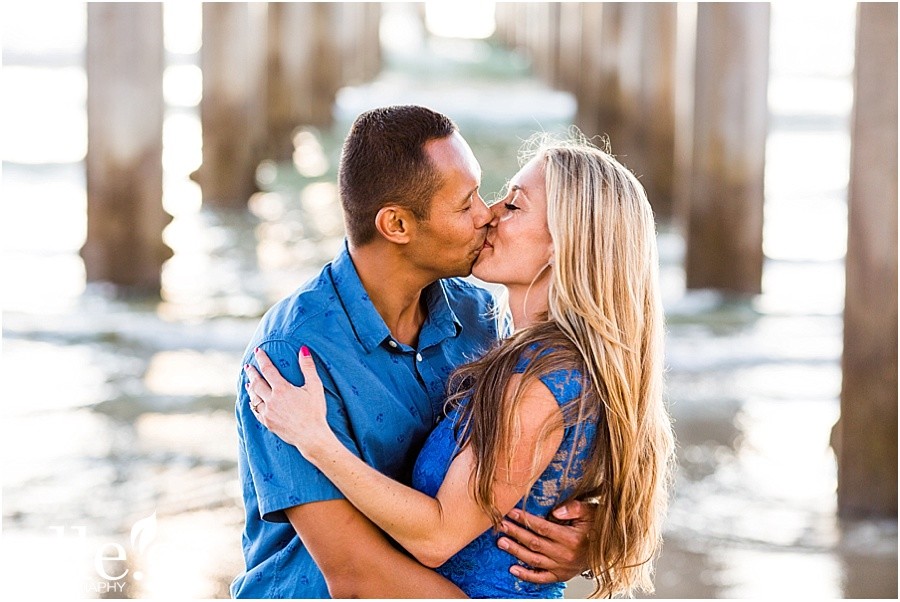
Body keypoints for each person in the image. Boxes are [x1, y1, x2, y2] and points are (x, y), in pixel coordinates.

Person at [246, 131, 677, 598]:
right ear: (396, 224)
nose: (488, 213)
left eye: (512, 206)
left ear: (564, 244)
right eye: (471, 201)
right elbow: (355, 574)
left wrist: (595, 542)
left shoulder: (500, 343)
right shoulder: (294, 354)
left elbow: (443, 532)